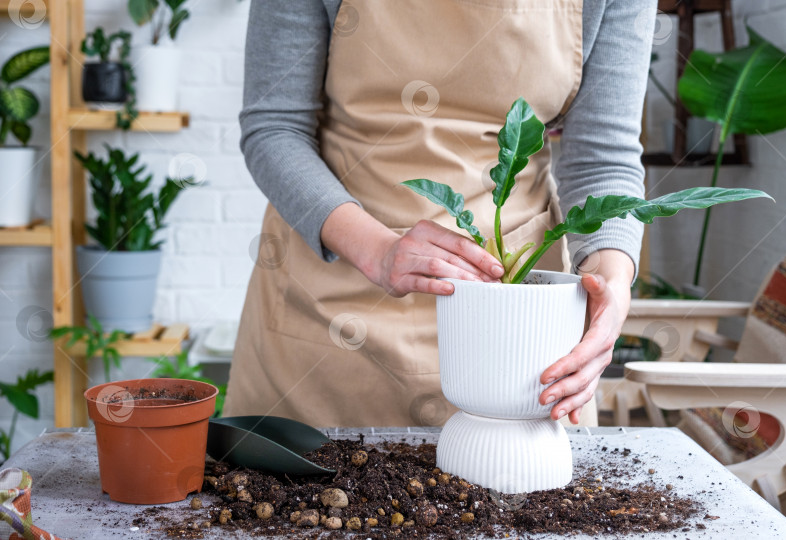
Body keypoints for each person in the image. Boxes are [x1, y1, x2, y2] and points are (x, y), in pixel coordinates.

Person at [223, 0, 656, 428]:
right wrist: (379, 250)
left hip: (515, 318)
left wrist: (612, 288)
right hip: (330, 308)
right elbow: (275, 127)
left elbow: (602, 159)